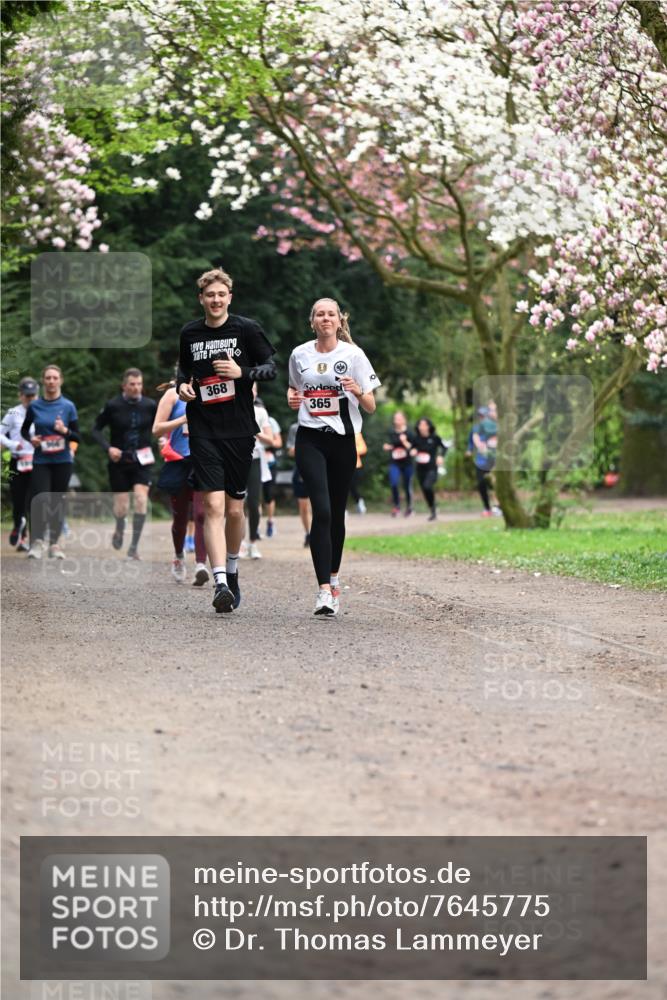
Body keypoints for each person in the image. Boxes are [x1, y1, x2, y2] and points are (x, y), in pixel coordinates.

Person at [176, 267, 276, 613]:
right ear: (201, 299)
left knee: (235, 511)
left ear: (229, 297)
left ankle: (232, 570)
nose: (215, 300)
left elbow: (271, 368)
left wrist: (242, 373)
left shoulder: (246, 329)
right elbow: (182, 372)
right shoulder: (190, 333)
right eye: (209, 295)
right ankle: (220, 582)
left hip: (238, 431)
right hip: (203, 429)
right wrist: (182, 388)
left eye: (221, 295)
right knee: (213, 507)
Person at [288, 297, 381, 616]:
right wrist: (292, 397)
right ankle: (323, 591)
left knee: (337, 513)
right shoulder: (300, 354)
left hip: (343, 441)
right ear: (312, 321)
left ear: (340, 321)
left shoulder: (354, 355)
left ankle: (335, 577)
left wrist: (357, 390)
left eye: (331, 314)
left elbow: (370, 406)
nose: (325, 319)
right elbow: (293, 388)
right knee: (322, 510)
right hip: (310, 438)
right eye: (319, 314)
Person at [92, 368, 157, 559]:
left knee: (140, 499)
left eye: (139, 384)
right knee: (121, 506)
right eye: (132, 384)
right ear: (124, 386)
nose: (136, 388)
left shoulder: (150, 405)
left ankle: (133, 547)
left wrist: (162, 439)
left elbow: (160, 426)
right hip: (119, 460)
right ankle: (120, 526)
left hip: (142, 460)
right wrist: (108, 448)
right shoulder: (113, 405)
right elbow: (95, 429)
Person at [153, 377, 209, 586]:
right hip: (179, 461)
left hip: (203, 461)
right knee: (180, 519)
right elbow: (156, 429)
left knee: (202, 514)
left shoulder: (210, 390)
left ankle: (201, 564)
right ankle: (178, 556)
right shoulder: (172, 394)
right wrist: (183, 419)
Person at [21, 365, 80, 560]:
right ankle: (36, 542)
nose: (51, 381)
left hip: (62, 461)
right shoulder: (35, 406)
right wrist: (32, 440)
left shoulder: (68, 406)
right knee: (40, 500)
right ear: (43, 381)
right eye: (48, 378)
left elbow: (77, 436)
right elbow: (24, 430)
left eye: (55, 378)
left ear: (60, 380)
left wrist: (65, 431)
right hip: (41, 460)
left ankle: (54, 544)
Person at [1, 376, 38, 550]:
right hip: (18, 460)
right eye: (26, 395)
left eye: (32, 395)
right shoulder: (13, 413)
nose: (30, 398)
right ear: (20, 395)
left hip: (37, 462)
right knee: (18, 501)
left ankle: (31, 539)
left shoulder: (42, 411)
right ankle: (19, 530)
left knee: (34, 502)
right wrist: (11, 444)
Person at [243, 388, 276, 560]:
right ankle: (239, 542)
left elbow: (271, 439)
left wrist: (255, 430)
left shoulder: (260, 411)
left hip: (255, 458)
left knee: (254, 502)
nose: (251, 392)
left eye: (254, 389)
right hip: (234, 459)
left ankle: (253, 542)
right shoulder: (232, 407)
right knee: (235, 504)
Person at [413, 417, 447, 520]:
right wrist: (413, 451)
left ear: (429, 426)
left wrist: (441, 456)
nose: (421, 427)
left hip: (432, 468)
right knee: (424, 489)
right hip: (420, 468)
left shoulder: (435, 438)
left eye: (424, 425)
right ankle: (432, 508)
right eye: (420, 425)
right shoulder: (416, 439)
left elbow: (444, 448)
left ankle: (433, 508)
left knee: (427, 486)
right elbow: (411, 448)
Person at [471, 401, 501, 517]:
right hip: (483, 459)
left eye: (495, 410)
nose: (492, 412)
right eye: (491, 410)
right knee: (482, 483)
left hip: (498, 458)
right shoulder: (483, 424)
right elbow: (475, 435)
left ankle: (498, 506)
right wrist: (479, 445)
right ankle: (487, 508)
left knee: (496, 482)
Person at [383, 410, 415, 516]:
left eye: (399, 418)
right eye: (396, 418)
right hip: (395, 463)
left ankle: (409, 507)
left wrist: (404, 441)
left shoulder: (410, 433)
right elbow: (387, 444)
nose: (397, 420)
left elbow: (413, 448)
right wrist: (387, 447)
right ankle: (396, 506)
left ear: (404, 420)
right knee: (394, 483)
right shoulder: (391, 432)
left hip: (407, 463)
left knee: (407, 485)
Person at [287, 420, 311, 547]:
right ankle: (308, 533)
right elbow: (290, 450)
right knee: (304, 505)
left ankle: (319, 532)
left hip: (320, 468)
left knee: (319, 503)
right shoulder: (295, 428)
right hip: (301, 469)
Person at [262, 410, 282, 537]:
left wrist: (266, 442)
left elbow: (278, 443)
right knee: (255, 495)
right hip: (253, 461)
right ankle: (255, 528)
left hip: (269, 462)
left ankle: (270, 522)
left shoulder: (271, 421)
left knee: (269, 494)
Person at [349, 431, 368, 513]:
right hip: (339, 464)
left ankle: (359, 501)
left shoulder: (357, 433)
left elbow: (363, 449)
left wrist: (349, 450)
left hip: (355, 465)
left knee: (352, 486)